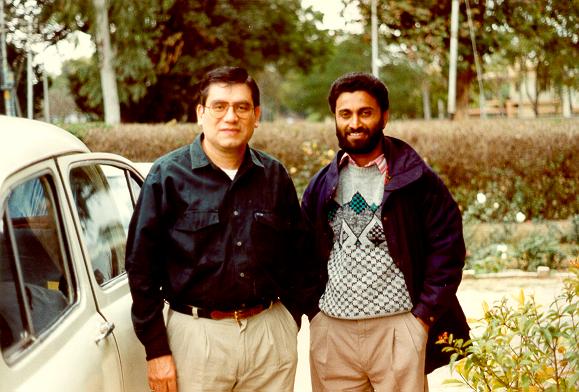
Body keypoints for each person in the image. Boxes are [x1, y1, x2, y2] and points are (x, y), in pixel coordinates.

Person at [126, 66, 305, 392]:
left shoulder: (275, 176)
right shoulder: (167, 176)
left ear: (256, 114)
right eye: (219, 106)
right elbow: (141, 269)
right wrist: (157, 351)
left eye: (242, 107)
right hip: (197, 340)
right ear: (200, 113)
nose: (230, 117)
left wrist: (287, 322)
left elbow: (299, 255)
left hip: (268, 336)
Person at [301, 72, 470, 391]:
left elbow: (448, 250)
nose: (355, 123)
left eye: (365, 112)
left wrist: (422, 318)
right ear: (335, 118)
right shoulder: (322, 184)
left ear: (384, 116)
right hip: (333, 334)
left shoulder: (417, 180)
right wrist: (315, 312)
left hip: (398, 329)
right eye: (345, 114)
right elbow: (301, 252)